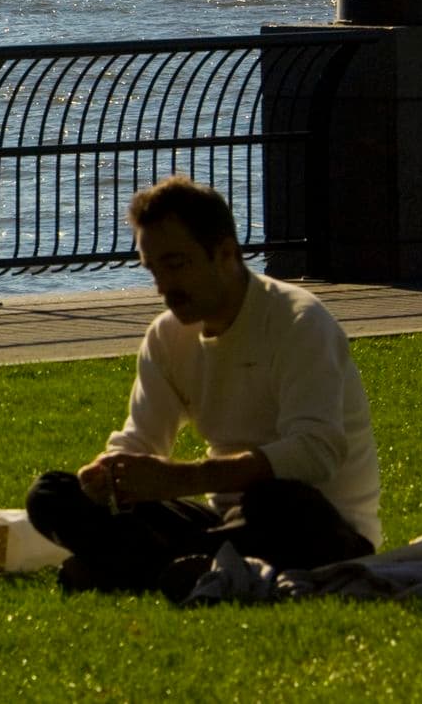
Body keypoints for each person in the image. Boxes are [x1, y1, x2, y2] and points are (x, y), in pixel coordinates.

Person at [25, 175, 381, 597]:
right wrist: (111, 472)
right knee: (51, 493)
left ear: (226, 253)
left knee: (274, 501)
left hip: (317, 523)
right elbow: (143, 438)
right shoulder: (167, 336)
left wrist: (183, 479)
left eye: (176, 265)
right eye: (153, 269)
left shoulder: (299, 323)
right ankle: (182, 567)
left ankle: (133, 568)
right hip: (224, 522)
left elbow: (316, 451)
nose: (163, 287)